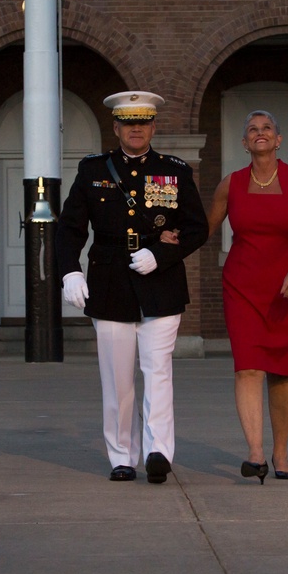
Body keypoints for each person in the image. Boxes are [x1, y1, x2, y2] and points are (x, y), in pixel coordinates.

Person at [55, 91, 208, 484]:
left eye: (143, 122)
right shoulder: (92, 170)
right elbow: (70, 228)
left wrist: (162, 254)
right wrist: (70, 271)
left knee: (158, 372)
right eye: (128, 122)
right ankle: (122, 455)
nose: (136, 129)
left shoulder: (174, 170)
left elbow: (196, 228)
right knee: (118, 378)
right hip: (109, 283)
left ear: (153, 126)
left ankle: (158, 452)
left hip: (161, 281)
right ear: (116, 127)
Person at [176, 110, 288, 484]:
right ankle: (255, 454)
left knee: (282, 373)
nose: (260, 133)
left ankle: (281, 452)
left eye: (267, 128)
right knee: (248, 366)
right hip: (241, 285)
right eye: (252, 129)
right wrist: (172, 241)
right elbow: (206, 228)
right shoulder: (231, 184)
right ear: (244, 142)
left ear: (279, 138)